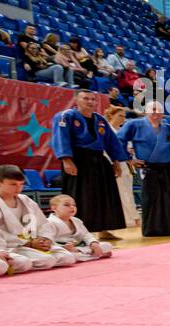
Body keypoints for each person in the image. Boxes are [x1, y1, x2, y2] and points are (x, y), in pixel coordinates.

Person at [51, 89, 131, 240]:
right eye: (86, 98)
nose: (90, 102)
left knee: (104, 195)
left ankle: (103, 229)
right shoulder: (66, 116)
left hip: (99, 160)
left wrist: (116, 161)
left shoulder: (100, 119)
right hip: (77, 160)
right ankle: (77, 232)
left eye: (93, 99)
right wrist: (66, 159)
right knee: (80, 196)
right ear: (77, 101)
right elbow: (60, 138)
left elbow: (111, 142)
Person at [0, 166, 75, 270]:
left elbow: (43, 224)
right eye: (13, 184)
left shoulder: (26, 200)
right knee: (35, 262)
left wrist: (45, 239)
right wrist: (27, 243)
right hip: (6, 246)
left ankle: (26, 261)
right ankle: (20, 261)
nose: (18, 188)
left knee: (67, 258)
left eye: (21, 184)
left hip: (29, 244)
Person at [117, 101, 170, 236]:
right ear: (146, 112)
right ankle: (153, 229)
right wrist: (129, 159)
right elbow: (119, 140)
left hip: (168, 168)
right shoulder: (134, 125)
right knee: (151, 199)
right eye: (153, 110)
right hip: (148, 168)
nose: (156, 113)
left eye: (159, 110)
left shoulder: (169, 129)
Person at [39, 194, 112, 261]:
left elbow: (86, 235)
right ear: (54, 208)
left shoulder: (77, 221)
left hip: (78, 247)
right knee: (65, 256)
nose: (72, 207)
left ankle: (90, 254)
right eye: (67, 205)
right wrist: (64, 247)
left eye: (74, 205)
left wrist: (93, 243)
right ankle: (96, 255)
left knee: (106, 245)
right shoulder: (49, 222)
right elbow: (48, 242)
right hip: (63, 249)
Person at [103, 106, 140, 230]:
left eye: (124, 116)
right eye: (120, 115)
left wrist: (130, 154)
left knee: (127, 191)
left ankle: (130, 218)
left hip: (126, 165)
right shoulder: (107, 130)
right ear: (111, 116)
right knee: (122, 192)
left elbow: (129, 149)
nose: (123, 118)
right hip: (115, 163)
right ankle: (131, 219)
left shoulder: (122, 131)